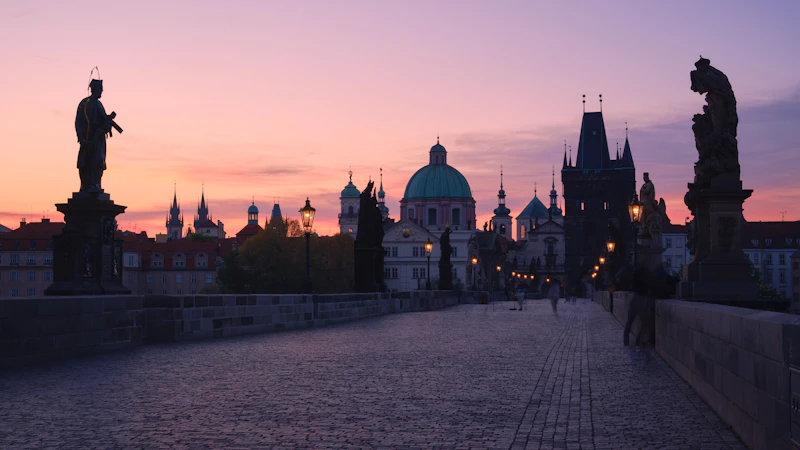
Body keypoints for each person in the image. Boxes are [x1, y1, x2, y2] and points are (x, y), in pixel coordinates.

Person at [76, 78, 115, 192]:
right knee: (85, 162)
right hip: (88, 138)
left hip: (99, 139)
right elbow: (79, 121)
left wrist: (107, 126)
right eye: (100, 89)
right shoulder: (85, 103)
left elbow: (103, 121)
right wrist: (82, 138)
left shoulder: (99, 105)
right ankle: (86, 185)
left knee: (98, 161)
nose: (101, 92)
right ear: (94, 89)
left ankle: (95, 184)